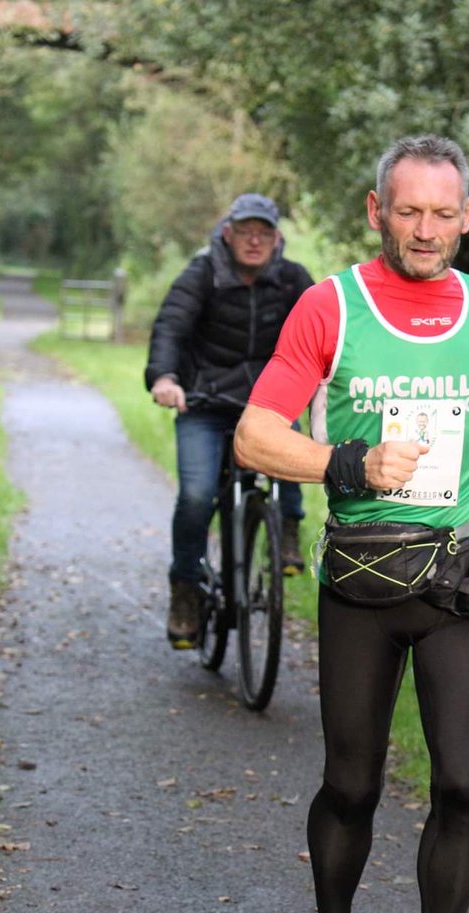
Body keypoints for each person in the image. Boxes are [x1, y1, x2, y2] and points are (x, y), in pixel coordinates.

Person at [235, 135, 469, 913]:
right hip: (364, 579)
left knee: (465, 780)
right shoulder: (332, 306)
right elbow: (255, 435)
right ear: (376, 211)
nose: (427, 229)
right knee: (351, 782)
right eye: (408, 210)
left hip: (459, 579)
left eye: (445, 213)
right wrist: (346, 460)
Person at [145, 192, 314, 649]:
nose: (254, 241)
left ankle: (287, 531)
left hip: (265, 407)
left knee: (292, 456)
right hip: (204, 404)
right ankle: (185, 591)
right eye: (245, 232)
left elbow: (326, 332)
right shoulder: (202, 274)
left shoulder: (293, 280)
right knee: (199, 496)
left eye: (264, 233)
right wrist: (164, 377)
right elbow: (171, 326)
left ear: (277, 239)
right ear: (227, 234)